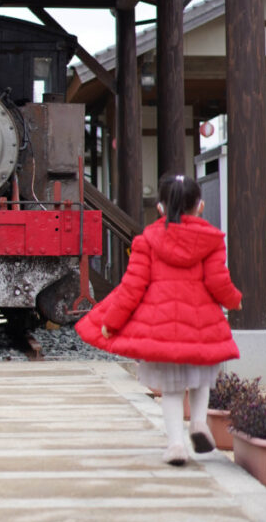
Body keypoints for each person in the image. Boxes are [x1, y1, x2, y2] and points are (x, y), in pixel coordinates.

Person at [75, 174, 242, 466]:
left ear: (161, 208)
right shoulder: (211, 240)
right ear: (200, 206)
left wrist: (112, 322)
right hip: (201, 322)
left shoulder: (147, 240)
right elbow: (218, 281)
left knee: (173, 391)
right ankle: (200, 423)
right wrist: (234, 300)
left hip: (161, 328)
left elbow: (132, 287)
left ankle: (176, 445)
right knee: (201, 378)